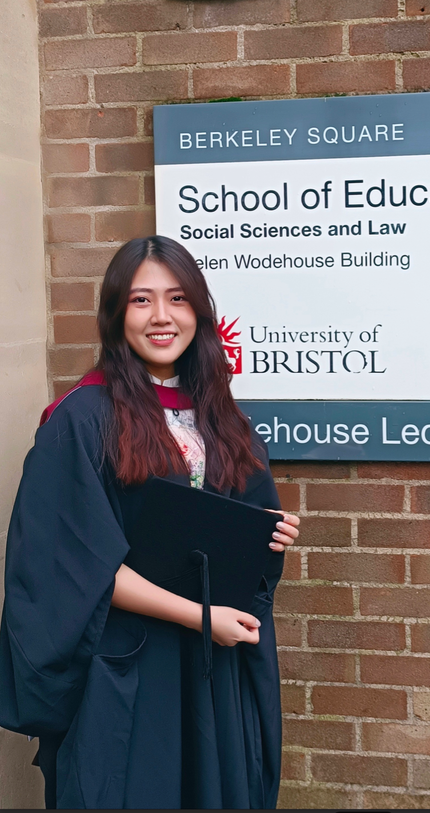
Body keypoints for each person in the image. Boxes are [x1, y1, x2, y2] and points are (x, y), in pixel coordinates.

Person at [0, 236, 299, 809]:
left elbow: (240, 535)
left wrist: (265, 535)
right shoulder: (81, 419)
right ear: (116, 314)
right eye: (141, 300)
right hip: (130, 670)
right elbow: (75, 563)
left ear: (199, 313)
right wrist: (200, 616)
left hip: (211, 669)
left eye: (177, 298)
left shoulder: (222, 417)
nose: (162, 316)